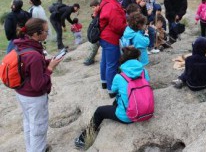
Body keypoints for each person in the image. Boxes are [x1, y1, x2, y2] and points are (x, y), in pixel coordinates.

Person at [74, 46, 149, 149]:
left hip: (128, 116)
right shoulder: (144, 71)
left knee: (100, 111)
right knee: (119, 100)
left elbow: (114, 90)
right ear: (137, 58)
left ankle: (82, 139)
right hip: (146, 109)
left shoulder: (120, 76)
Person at [14, 18, 63, 152]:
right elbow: (38, 85)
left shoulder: (23, 45)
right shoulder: (34, 54)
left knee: (29, 125)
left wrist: (47, 62)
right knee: (38, 129)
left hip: (22, 93)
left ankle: (30, 149)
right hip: (34, 98)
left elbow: (28, 67)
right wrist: (50, 68)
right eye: (46, 31)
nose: (48, 34)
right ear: (36, 34)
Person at [99, 0, 127, 97]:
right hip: (111, 38)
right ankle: (112, 89)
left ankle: (104, 81)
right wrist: (127, 26)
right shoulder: (113, 6)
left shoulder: (106, 1)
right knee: (112, 64)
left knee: (105, 61)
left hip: (104, 36)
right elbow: (118, 26)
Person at [84, 0, 100, 66]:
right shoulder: (96, 13)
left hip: (99, 32)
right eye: (92, 8)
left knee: (94, 46)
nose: (92, 9)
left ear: (98, 5)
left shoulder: (101, 12)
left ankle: (90, 59)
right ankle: (90, 59)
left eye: (93, 7)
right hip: (97, 32)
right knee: (94, 46)